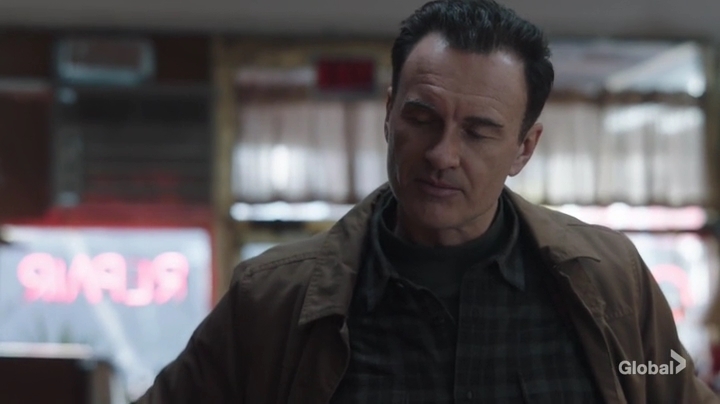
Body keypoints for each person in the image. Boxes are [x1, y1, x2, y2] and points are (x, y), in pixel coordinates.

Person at [135, 0, 719, 402]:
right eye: (421, 118)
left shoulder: (609, 282)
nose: (442, 154)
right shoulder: (273, 301)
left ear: (524, 148)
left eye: (478, 132)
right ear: (389, 114)